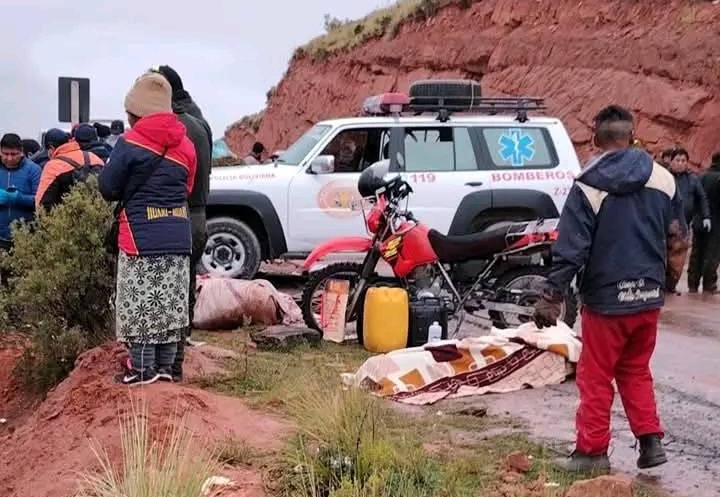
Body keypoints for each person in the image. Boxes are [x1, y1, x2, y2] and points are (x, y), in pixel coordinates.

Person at [533, 105, 686, 473]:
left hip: (606, 299)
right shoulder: (664, 179)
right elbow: (678, 239)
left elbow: (571, 249)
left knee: (596, 374)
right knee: (635, 369)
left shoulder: (588, 184)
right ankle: (650, 443)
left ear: (597, 139)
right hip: (648, 297)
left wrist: (551, 298)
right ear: (633, 135)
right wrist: (665, 282)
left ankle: (591, 452)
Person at [99, 71, 197, 386]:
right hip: (179, 236)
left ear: (135, 111)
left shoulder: (130, 142)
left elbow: (108, 187)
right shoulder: (187, 145)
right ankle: (167, 368)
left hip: (139, 237)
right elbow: (189, 188)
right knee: (169, 305)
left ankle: (142, 369)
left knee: (141, 305)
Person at [157, 65, 212, 382]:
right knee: (185, 281)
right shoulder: (199, 120)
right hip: (199, 213)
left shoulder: (173, 125)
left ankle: (168, 362)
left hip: (178, 212)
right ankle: (182, 342)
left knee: (167, 287)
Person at [666, 148, 710, 294]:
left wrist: (706, 216)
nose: (680, 163)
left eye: (683, 160)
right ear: (671, 161)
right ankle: (659, 284)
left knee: (677, 261)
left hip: (683, 226)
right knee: (660, 256)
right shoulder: (664, 177)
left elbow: (702, 198)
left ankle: (670, 285)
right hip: (662, 223)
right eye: (677, 160)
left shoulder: (693, 179)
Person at [35, 128, 104, 211]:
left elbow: (41, 204)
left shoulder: (53, 166)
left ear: (51, 148)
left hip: (67, 220)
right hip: (97, 217)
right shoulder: (94, 158)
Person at [0, 133, 42, 250]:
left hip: (24, 237)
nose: (9, 158)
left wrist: (18, 198)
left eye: (14, 154)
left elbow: (39, 201)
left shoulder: (33, 170)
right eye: (5, 154)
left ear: (21, 152)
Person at [688, 152, 720, 294]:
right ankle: (709, 284)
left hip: (699, 219)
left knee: (697, 252)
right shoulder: (718, 178)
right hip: (716, 220)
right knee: (712, 252)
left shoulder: (701, 177)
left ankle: (693, 283)